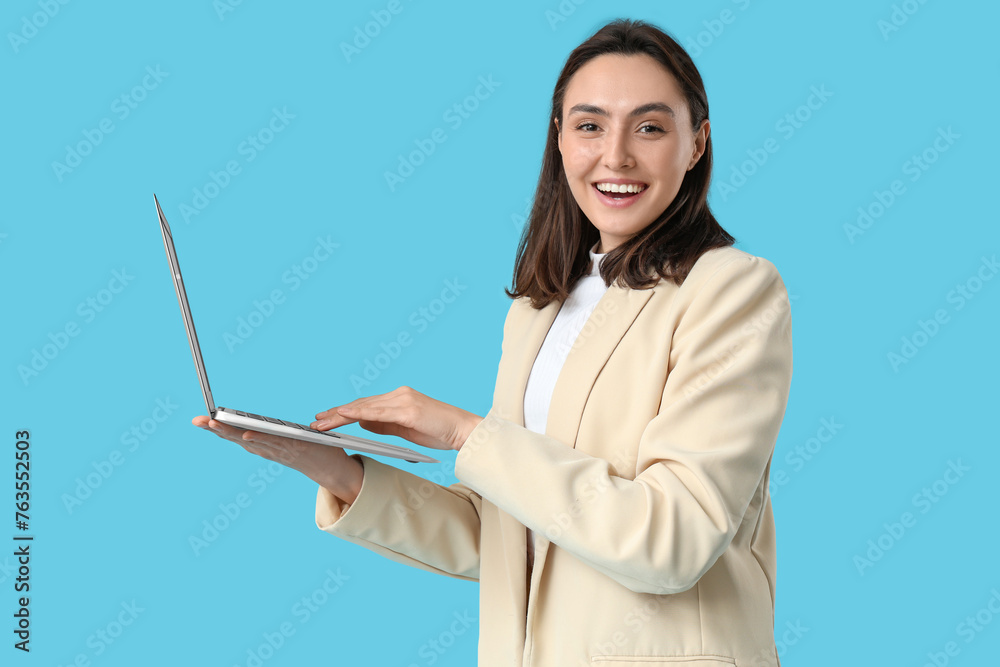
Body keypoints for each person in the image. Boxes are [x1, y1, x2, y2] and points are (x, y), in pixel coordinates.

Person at [194, 17, 793, 667]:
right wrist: (336, 470)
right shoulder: (542, 307)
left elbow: (671, 538)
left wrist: (462, 433)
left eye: (649, 127)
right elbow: (514, 536)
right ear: (559, 138)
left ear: (697, 143)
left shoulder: (732, 292)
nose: (616, 156)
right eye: (590, 125)